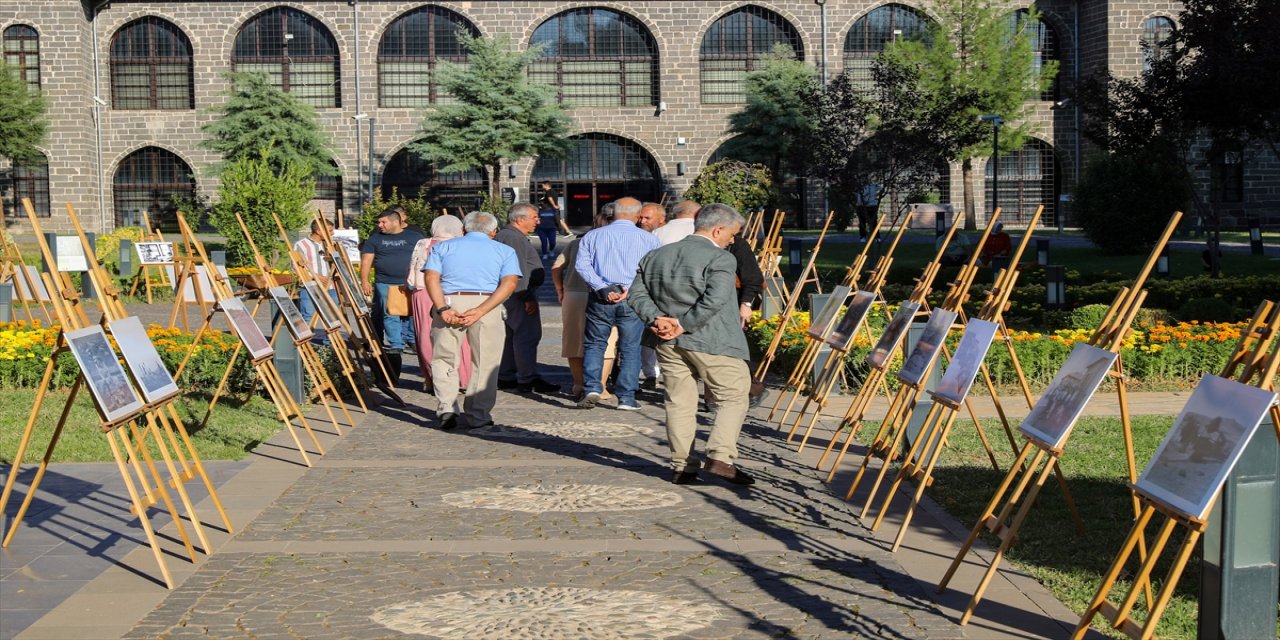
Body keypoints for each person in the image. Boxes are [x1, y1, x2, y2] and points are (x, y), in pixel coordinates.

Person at [628, 203, 755, 486]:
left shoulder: (656, 255)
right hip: (711, 339)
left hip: (666, 341)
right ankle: (720, 456)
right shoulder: (720, 258)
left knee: (679, 402)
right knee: (734, 394)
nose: (733, 240)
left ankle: (682, 466)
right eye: (732, 234)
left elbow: (636, 294)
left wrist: (658, 319)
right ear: (718, 229)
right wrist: (682, 325)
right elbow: (715, 300)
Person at [422, 211, 521, 430]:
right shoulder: (504, 250)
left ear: (463, 229)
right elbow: (510, 283)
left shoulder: (443, 247)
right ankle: (478, 414)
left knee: (444, 358)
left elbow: (430, 277)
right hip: (487, 304)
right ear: (493, 231)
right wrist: (481, 310)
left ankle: (447, 406)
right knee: (486, 362)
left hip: (449, 301)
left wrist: (442, 308)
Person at [574, 197, 661, 411]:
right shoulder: (649, 239)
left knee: (595, 343)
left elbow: (582, 266)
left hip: (601, 298)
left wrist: (602, 287)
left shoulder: (592, 236)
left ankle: (593, 386)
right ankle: (626, 397)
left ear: (614, 212)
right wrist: (629, 290)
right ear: (638, 215)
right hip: (632, 299)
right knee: (630, 348)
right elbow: (652, 271)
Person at [553, 210, 620, 401]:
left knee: (574, 340)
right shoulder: (615, 244)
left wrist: (560, 290)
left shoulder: (577, 243)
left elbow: (556, 267)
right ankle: (600, 385)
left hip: (574, 294)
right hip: (605, 294)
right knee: (607, 339)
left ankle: (578, 383)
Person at [495, 203, 559, 394]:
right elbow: (519, 271)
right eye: (534, 217)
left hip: (514, 294)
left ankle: (507, 375)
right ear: (520, 219)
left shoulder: (511, 235)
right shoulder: (512, 237)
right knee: (526, 336)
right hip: (518, 295)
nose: (538, 221)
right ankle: (527, 377)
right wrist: (527, 296)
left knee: (511, 336)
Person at [407, 215, 471, 393]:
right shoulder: (462, 244)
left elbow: (413, 269)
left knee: (426, 337)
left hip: (423, 292)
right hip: (453, 292)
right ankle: (462, 378)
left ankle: (434, 378)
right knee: (459, 336)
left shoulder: (423, 243)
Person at [360, 206, 426, 381]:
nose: (380, 225)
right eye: (379, 222)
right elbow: (366, 260)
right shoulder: (375, 239)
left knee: (412, 314)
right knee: (390, 313)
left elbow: (423, 257)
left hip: (409, 284)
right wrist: (365, 280)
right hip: (385, 282)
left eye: (383, 222)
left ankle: (412, 340)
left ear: (396, 221)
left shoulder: (415, 237)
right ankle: (395, 346)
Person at [294, 219, 338, 343]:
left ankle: (331, 345)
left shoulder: (331, 245)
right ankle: (303, 344)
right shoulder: (301, 245)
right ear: (319, 231)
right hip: (310, 286)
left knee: (332, 316)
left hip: (330, 287)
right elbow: (296, 266)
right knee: (308, 314)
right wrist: (316, 276)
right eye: (329, 231)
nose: (332, 233)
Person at [536, 182, 573, 259]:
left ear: (546, 185)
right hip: (544, 225)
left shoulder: (548, 192)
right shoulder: (554, 192)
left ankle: (567, 231)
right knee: (544, 241)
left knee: (558, 220)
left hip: (551, 213)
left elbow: (550, 199)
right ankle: (545, 253)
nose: (542, 186)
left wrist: (554, 205)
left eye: (543, 185)